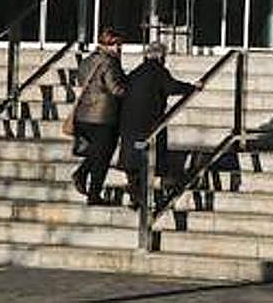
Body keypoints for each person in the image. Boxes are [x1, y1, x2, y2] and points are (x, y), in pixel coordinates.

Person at [118, 41, 200, 208]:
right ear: (162, 56)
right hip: (150, 123)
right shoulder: (159, 71)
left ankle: (135, 192)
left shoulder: (136, 72)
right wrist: (192, 88)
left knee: (133, 159)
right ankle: (141, 194)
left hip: (129, 122)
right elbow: (172, 87)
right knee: (149, 159)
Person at [71, 29, 128, 206]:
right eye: (116, 44)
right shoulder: (110, 62)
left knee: (97, 152)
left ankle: (82, 174)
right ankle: (93, 193)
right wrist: (132, 92)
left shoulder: (88, 60)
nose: (119, 48)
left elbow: (81, 81)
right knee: (103, 157)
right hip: (103, 117)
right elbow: (115, 89)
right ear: (108, 45)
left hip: (83, 115)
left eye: (120, 45)